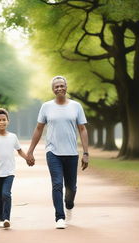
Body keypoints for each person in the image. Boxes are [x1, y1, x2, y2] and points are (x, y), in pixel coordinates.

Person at [27, 75, 89, 229]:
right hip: (53, 152)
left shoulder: (76, 106)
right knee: (56, 184)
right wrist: (30, 151)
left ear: (66, 87)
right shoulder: (46, 107)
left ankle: (69, 206)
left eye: (62, 85)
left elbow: (82, 129)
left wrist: (86, 153)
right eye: (56, 86)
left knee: (71, 188)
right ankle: (59, 218)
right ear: (53, 89)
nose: (59, 88)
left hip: (72, 153)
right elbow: (39, 128)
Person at [0, 108, 28, 229]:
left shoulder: (13, 137)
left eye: (4, 120)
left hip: (9, 172)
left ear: (8, 121)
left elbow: (19, 151)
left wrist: (27, 158)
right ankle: (1, 219)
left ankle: (7, 218)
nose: (1, 122)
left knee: (6, 194)